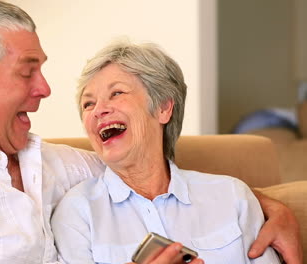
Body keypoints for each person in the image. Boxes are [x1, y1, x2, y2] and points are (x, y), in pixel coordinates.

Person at [0, 0, 301, 263]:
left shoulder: (52, 162)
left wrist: (271, 205)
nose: (46, 89)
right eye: (27, 72)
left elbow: (144, 171)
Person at [51, 41, 286, 264]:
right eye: (88, 104)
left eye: (117, 93)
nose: (99, 110)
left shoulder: (233, 197)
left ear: (164, 108)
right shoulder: (77, 213)